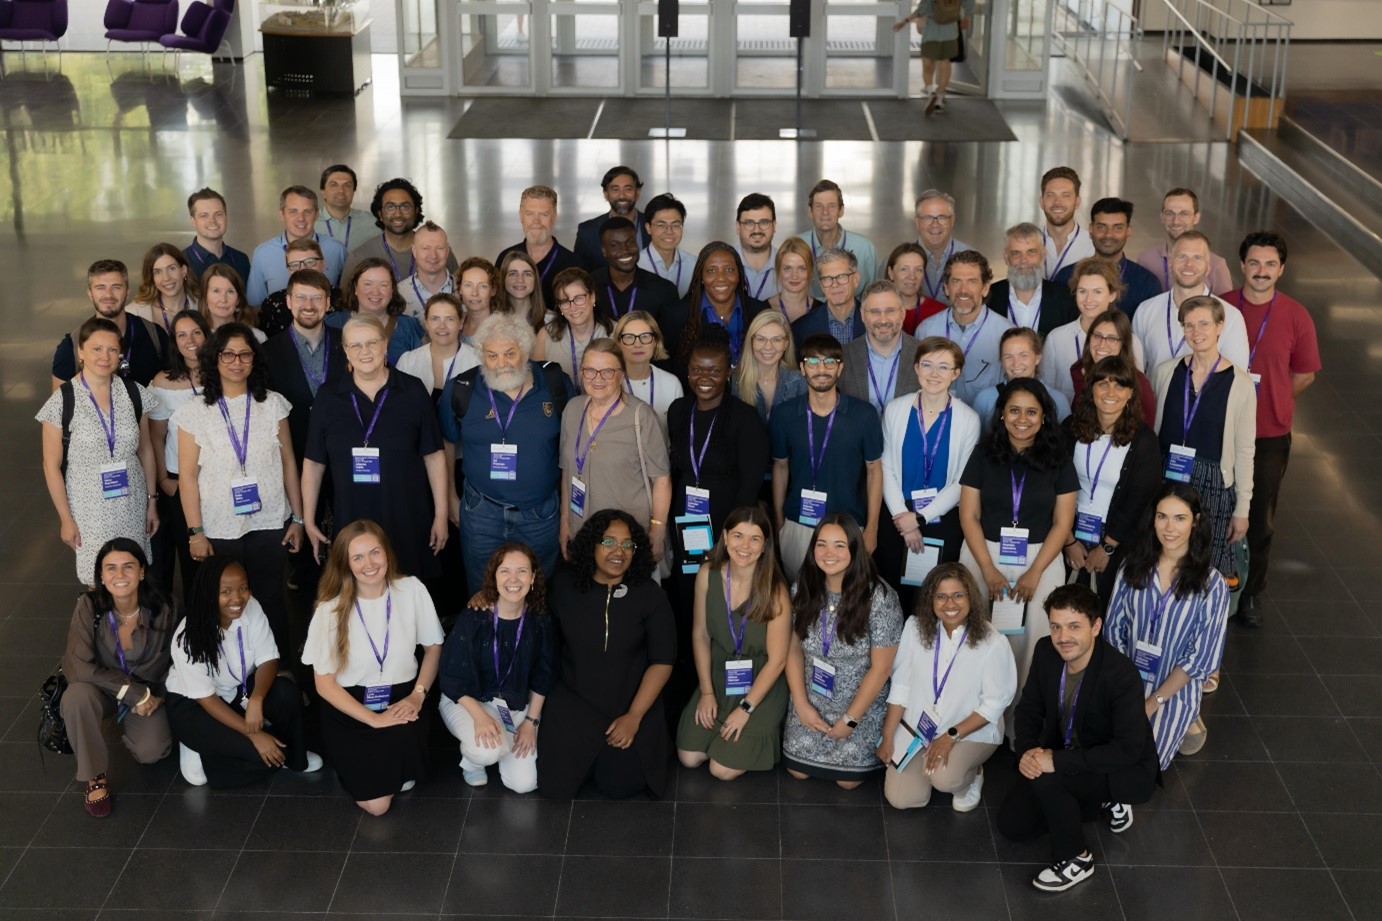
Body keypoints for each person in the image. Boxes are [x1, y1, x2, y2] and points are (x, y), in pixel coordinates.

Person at [996, 584, 1159, 892]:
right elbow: (1029, 708)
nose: (1063, 637)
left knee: (1048, 780)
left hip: (1119, 766)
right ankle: (1090, 801)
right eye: (1056, 626)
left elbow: (1127, 750)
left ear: (1096, 626)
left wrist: (1054, 761)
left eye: (1074, 626)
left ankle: (1076, 858)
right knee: (1013, 826)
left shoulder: (1120, 674)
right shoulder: (1046, 651)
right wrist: (1028, 753)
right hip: (1069, 753)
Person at [175, 322, 306, 657]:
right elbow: (187, 476)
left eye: (244, 354)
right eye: (228, 354)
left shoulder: (274, 404)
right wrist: (196, 532)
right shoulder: (194, 412)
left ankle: (280, 671)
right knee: (223, 603)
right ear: (214, 359)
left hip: (270, 520)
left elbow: (290, 463)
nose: (236, 361)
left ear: (254, 359)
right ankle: (228, 671)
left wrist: (298, 519)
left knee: (271, 599)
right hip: (219, 525)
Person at [302, 520, 444, 815]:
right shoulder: (330, 609)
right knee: (377, 807)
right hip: (351, 709)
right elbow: (324, 684)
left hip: (402, 700)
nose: (369, 563)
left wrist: (418, 695)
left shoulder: (411, 590)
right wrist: (373, 719)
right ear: (345, 563)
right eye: (358, 557)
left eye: (375, 552)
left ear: (387, 553)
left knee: (386, 792)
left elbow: (433, 648)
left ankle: (389, 768)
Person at [538, 511, 676, 799]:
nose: (619, 551)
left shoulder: (649, 594)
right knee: (555, 786)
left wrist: (634, 716)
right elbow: (525, 611)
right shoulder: (564, 586)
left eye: (628, 545)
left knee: (621, 784)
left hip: (628, 702)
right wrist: (485, 598)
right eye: (609, 542)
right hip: (574, 700)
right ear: (592, 545)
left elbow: (663, 661)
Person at [302, 315, 449, 585]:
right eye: (355, 345)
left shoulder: (413, 390)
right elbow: (313, 463)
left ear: (385, 345)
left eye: (371, 343)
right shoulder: (328, 396)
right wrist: (308, 520)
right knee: (357, 596)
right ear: (345, 350)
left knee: (406, 595)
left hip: (407, 516)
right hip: (352, 519)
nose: (364, 351)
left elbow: (434, 456)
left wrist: (441, 514)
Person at [959, 378, 1077, 694]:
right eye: (1014, 411)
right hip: (983, 553)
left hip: (1041, 558)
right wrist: (987, 569)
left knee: (1034, 643)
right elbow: (968, 515)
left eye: (1031, 412)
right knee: (977, 637)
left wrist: (1035, 572)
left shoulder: (1060, 459)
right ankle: (978, 718)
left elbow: (1062, 523)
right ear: (1001, 415)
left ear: (1043, 417)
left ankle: (1020, 725)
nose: (1022, 420)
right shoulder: (982, 454)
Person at [1225, 231, 1320, 627]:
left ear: (1281, 269)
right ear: (1242, 265)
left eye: (1269, 265)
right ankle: (1210, 585)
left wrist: (1272, 398)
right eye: (1253, 263)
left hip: (1268, 434)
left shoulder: (1296, 315)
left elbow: (1306, 373)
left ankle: (1251, 594)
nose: (1260, 272)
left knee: (1258, 519)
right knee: (1213, 511)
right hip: (1222, 430)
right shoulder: (1223, 308)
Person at [441, 312, 574, 588]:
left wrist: (567, 514)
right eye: (491, 356)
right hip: (481, 512)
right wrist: (451, 498)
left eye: (509, 353)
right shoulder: (461, 389)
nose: (501, 364)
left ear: (525, 352)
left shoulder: (555, 384)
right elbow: (447, 443)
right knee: (482, 594)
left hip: (541, 513)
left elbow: (572, 451)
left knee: (538, 594)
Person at [166, 556, 322, 787]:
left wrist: (257, 699)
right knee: (260, 761)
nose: (237, 598)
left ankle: (292, 757)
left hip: (239, 690)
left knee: (286, 694)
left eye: (243, 588)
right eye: (225, 591)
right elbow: (207, 700)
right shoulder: (188, 637)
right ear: (209, 593)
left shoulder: (251, 607)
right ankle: (197, 746)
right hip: (196, 705)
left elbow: (269, 658)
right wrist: (253, 735)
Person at [1105, 483, 1230, 767]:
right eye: (1162, 516)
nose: (1169, 527)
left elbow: (1200, 660)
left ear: (1195, 522)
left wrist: (1151, 704)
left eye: (1180, 518)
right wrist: (1127, 693)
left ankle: (1188, 718)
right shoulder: (1131, 567)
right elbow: (1114, 631)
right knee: (1101, 749)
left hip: (1172, 691)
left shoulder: (1212, 585)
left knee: (1137, 765)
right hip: (1126, 682)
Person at [878, 563, 1016, 811]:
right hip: (920, 728)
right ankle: (930, 769)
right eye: (941, 596)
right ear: (930, 599)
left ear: (971, 597)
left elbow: (994, 705)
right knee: (901, 799)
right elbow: (900, 687)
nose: (949, 604)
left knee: (945, 778)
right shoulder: (914, 628)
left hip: (970, 730)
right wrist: (888, 737)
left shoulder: (993, 642)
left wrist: (950, 736)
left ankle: (971, 775)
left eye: (958, 595)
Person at [782, 513, 902, 787]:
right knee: (798, 771)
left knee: (846, 782)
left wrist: (850, 719)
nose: (829, 553)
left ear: (855, 549)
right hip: (812, 698)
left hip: (858, 703)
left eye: (839, 545)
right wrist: (801, 705)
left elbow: (882, 667)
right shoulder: (803, 588)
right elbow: (793, 650)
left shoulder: (880, 597)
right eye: (821, 544)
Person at [38, 317, 159, 583]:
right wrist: (65, 519)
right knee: (99, 578)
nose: (105, 356)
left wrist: (152, 502)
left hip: (132, 502)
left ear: (120, 354)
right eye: (96, 349)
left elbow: (146, 449)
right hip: (88, 508)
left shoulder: (133, 392)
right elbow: (51, 464)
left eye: (112, 349)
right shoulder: (62, 400)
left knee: (132, 574)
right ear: (81, 352)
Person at [61, 538, 176, 817]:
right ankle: (94, 776)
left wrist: (149, 696)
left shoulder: (165, 608)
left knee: (152, 752)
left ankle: (127, 730)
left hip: (148, 694)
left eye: (128, 567)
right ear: (101, 575)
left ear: (142, 572)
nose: (119, 575)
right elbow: (77, 667)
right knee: (76, 696)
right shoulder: (89, 606)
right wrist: (131, 692)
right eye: (110, 568)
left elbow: (168, 662)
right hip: (102, 689)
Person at [676, 507, 792, 780]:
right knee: (689, 757)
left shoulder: (776, 591)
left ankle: (768, 724)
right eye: (738, 536)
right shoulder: (707, 573)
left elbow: (778, 661)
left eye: (755, 539)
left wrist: (746, 709)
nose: (745, 546)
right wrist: (706, 692)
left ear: (765, 546)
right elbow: (700, 635)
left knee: (721, 769)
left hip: (761, 682)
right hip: (719, 672)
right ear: (725, 537)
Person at [1152, 295, 1256, 585]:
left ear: (1220, 326)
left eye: (1204, 324)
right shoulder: (1165, 372)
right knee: (1163, 563)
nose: (1196, 332)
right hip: (1166, 478)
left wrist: (1242, 509)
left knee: (1205, 574)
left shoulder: (1240, 383)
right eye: (1189, 325)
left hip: (1213, 485)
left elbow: (1245, 449)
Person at [438, 542, 556, 792]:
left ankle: (501, 741)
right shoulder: (475, 616)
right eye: (505, 571)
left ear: (533, 577)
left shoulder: (540, 618)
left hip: (515, 706)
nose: (513, 579)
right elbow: (451, 678)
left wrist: (530, 723)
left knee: (524, 785)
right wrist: (480, 717)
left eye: (522, 571)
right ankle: (472, 762)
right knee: (486, 751)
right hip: (468, 700)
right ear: (494, 576)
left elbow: (544, 675)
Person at [770, 334, 884, 578]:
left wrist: (873, 527)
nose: (821, 369)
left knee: (845, 602)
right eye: (812, 362)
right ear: (802, 368)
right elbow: (780, 466)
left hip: (849, 527)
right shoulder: (784, 414)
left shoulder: (864, 415)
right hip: (798, 525)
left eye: (829, 362)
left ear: (840, 367)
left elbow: (874, 469)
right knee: (799, 599)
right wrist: (780, 521)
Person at [878, 337, 981, 603]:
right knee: (892, 595)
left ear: (956, 373)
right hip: (896, 517)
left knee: (933, 597)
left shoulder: (969, 419)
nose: (934, 374)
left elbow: (962, 482)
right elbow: (885, 467)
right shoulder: (895, 409)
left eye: (944, 367)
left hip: (941, 520)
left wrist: (920, 518)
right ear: (916, 368)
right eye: (927, 365)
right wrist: (904, 518)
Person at [1061, 356, 1163, 609]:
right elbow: (1054, 487)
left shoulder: (1144, 441)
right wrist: (1068, 540)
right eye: (1103, 383)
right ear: (1091, 388)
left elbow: (1140, 500)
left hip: (1117, 541)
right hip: (1067, 533)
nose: (1110, 392)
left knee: (1102, 611)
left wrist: (1107, 547)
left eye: (1119, 385)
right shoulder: (1069, 429)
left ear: (1130, 394)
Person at [559, 339, 672, 562]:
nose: (597, 379)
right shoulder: (572, 410)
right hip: (582, 530)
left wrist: (657, 532)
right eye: (590, 370)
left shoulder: (641, 417)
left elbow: (662, 480)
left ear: (621, 375)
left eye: (607, 372)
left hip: (627, 537)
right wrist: (565, 523)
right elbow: (567, 473)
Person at [147, 309, 212, 602]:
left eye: (196, 332)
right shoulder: (163, 383)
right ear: (174, 341)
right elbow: (156, 437)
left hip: (217, 480)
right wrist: (163, 480)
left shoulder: (224, 374)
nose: (191, 340)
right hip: (178, 480)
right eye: (182, 334)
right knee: (191, 560)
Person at [1132, 231, 1250, 370]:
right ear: (1170, 263)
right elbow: (1135, 374)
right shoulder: (1145, 311)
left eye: (1197, 258)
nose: (1189, 264)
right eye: (1182, 257)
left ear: (1208, 267)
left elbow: (1236, 377)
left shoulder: (1231, 317)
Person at [51, 259, 169, 390]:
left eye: (116, 287)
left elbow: (175, 387)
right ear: (90, 293)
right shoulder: (71, 346)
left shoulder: (156, 336)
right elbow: (61, 406)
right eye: (100, 288)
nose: (108, 295)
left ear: (127, 291)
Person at [1041, 257, 1146, 405]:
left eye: (1097, 292)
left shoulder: (1131, 341)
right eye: (1082, 291)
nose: (1088, 299)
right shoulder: (1056, 339)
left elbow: (1136, 394)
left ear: (1112, 295)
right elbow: (1047, 392)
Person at [916, 250, 1013, 405]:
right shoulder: (926, 330)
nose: (963, 290)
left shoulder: (1005, 333)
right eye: (956, 281)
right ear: (946, 288)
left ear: (985, 288)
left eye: (972, 281)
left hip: (987, 422)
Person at [663, 242, 771, 371]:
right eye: (711, 270)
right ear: (701, 276)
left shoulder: (760, 311)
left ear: (739, 275)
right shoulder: (675, 316)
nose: (721, 278)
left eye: (729, 269)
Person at [1052, 197, 1161, 315]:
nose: (1108, 234)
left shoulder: (1147, 283)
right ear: (1090, 230)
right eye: (1101, 227)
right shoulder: (1066, 277)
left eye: (1118, 228)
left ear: (1128, 231)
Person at [246, 185, 347, 306]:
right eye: (293, 212)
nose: (301, 218)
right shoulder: (263, 254)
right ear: (281, 215)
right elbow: (255, 306)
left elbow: (346, 299)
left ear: (317, 214)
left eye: (307, 212)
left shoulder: (337, 250)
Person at [342, 177, 456, 284]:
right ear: (380, 213)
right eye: (390, 207)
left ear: (416, 211)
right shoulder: (359, 257)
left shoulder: (439, 252)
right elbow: (347, 302)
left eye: (405, 207)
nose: (398, 214)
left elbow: (459, 292)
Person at [839, 280, 921, 416]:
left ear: (902, 313)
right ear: (863, 315)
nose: (883, 320)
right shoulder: (843, 356)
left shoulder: (924, 355)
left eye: (890, 311)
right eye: (875, 312)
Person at [985, 223, 1079, 338]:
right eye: (1016, 253)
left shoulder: (1066, 300)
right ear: (1006, 257)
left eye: (1031, 252)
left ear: (1043, 254)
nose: (1024, 260)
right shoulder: (988, 298)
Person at [326, 258, 427, 366]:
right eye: (368, 284)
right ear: (355, 288)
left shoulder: (409, 326)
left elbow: (422, 369)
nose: (376, 292)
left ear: (392, 290)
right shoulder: (334, 324)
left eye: (383, 285)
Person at [497, 184, 585, 307]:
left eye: (544, 214)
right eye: (529, 214)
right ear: (520, 216)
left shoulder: (573, 264)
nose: (536, 221)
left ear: (554, 217)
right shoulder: (505, 258)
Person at [1135, 187, 1235, 294]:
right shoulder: (1146, 260)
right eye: (1169, 214)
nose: (1176, 221)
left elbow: (1224, 308)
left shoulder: (1216, 265)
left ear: (1196, 218)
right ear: (1162, 217)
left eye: (1184, 214)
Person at [969, 327, 1073, 427]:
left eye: (1023, 355)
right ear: (1001, 361)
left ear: (1037, 358)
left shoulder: (1057, 400)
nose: (1016, 363)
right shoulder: (984, 399)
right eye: (1008, 356)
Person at [1072, 309, 1158, 426]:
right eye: (1097, 336)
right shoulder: (1079, 372)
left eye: (1111, 339)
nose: (1102, 344)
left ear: (1124, 344)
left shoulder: (1139, 383)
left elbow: (1146, 433)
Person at [534, 267, 614, 390]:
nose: (573, 307)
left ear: (592, 297)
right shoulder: (545, 335)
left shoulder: (616, 332)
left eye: (578, 298)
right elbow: (537, 385)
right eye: (565, 301)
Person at [796, 179, 878, 298]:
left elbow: (872, 296)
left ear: (841, 211)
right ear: (810, 211)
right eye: (819, 206)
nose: (825, 212)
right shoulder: (797, 246)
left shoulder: (865, 249)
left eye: (832, 206)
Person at [592, 216, 679, 325]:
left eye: (630, 242)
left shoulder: (664, 290)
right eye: (615, 245)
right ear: (604, 251)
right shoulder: (588, 286)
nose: (625, 250)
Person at [893, 0, 975, 114]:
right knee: (945, 62)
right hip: (951, 31)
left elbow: (921, 11)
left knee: (927, 64)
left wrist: (905, 21)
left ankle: (931, 92)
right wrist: (967, 16)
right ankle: (940, 99)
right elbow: (969, 3)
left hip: (932, 32)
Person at [397, 292, 480, 401]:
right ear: (426, 323)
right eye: (435, 319)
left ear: (460, 323)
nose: (442, 326)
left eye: (449, 319)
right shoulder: (408, 361)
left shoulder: (477, 361)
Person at [255, 238, 341, 339]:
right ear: (288, 270)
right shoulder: (272, 304)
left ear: (323, 264)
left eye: (309, 262)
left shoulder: (342, 299)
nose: (303, 269)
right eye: (295, 265)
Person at [735, 309, 807, 423]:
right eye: (761, 339)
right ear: (751, 341)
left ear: (786, 344)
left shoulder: (800, 382)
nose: (768, 347)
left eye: (776, 340)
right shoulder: (734, 381)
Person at [791, 246, 866, 350]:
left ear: (856, 279)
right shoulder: (801, 329)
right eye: (827, 279)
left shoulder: (875, 320)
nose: (835, 285)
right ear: (821, 285)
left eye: (842, 276)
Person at [573, 166, 646, 271]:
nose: (622, 195)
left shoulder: (653, 225)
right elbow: (579, 275)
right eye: (615, 189)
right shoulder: (587, 231)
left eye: (628, 189)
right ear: (606, 194)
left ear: (637, 193)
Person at [911, 190, 975, 306]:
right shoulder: (897, 261)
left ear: (952, 221)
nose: (935, 224)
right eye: (927, 218)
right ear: (917, 222)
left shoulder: (973, 259)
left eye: (942, 217)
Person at [614, 309, 683, 416]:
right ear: (618, 343)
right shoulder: (608, 382)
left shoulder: (672, 384)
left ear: (656, 341)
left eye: (645, 336)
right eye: (629, 337)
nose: (637, 344)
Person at [1036, 166, 1096, 280]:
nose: (1057, 202)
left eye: (1065, 195)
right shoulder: (1027, 244)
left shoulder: (1092, 246)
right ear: (1042, 202)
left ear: (1077, 202)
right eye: (1050, 195)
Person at [128, 242, 200, 334]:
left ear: (183, 271)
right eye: (158, 272)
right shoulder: (134, 313)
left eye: (171, 268)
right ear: (152, 278)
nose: (166, 278)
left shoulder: (203, 308)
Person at [184, 187, 251, 282]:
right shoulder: (181, 263)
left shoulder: (241, 260)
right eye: (204, 215)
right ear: (193, 221)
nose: (212, 221)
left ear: (226, 217)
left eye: (218, 214)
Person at [638, 193, 697, 298]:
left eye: (675, 225)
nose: (669, 231)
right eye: (661, 225)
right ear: (648, 228)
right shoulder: (637, 264)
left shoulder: (694, 264)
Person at [398, 220, 456, 320]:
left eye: (439, 248)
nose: (433, 255)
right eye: (426, 248)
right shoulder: (399, 294)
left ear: (447, 251)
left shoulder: (464, 291)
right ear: (414, 251)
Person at [885, 241, 946, 334]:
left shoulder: (940, 313)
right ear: (891, 273)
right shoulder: (875, 310)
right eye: (904, 269)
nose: (912, 276)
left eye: (918, 270)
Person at [314, 163, 373, 252]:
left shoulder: (372, 222)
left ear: (353, 192)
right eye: (334, 185)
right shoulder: (310, 223)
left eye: (347, 185)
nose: (341, 191)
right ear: (323, 192)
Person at [200, 264, 266, 342]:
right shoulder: (197, 339)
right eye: (216, 291)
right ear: (205, 297)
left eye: (230, 292)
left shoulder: (257, 337)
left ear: (238, 299)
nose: (223, 300)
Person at [734, 192, 779, 301]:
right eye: (749, 223)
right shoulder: (724, 263)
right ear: (738, 227)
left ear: (774, 226)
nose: (757, 230)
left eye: (764, 222)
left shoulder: (789, 264)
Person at [765, 237, 818, 325]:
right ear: (778, 270)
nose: (794, 276)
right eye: (787, 268)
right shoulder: (761, 310)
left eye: (802, 268)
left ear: (810, 271)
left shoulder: (822, 310)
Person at [499, 249, 550, 331]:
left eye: (527, 274)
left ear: (535, 280)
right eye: (513, 274)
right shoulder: (492, 322)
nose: (520, 280)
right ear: (503, 279)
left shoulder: (551, 321)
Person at [458, 256, 501, 346]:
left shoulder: (502, 328)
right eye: (468, 285)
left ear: (493, 290)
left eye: (482, 286)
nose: (474, 293)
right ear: (460, 288)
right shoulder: (455, 322)